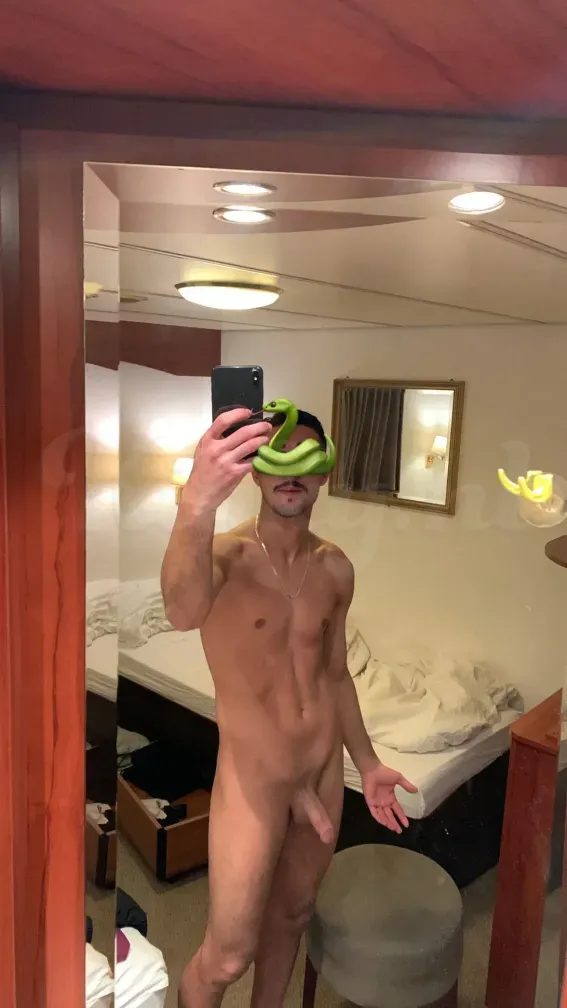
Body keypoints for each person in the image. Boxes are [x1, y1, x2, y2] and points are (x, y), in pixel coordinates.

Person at [161, 406, 417, 1008]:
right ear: (254, 471)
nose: (291, 473)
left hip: (324, 770)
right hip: (255, 781)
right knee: (228, 955)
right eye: (276, 457)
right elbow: (180, 609)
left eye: (306, 457)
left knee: (293, 918)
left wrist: (368, 763)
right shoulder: (223, 557)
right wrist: (195, 502)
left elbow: (335, 673)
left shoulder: (335, 568)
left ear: (324, 472)